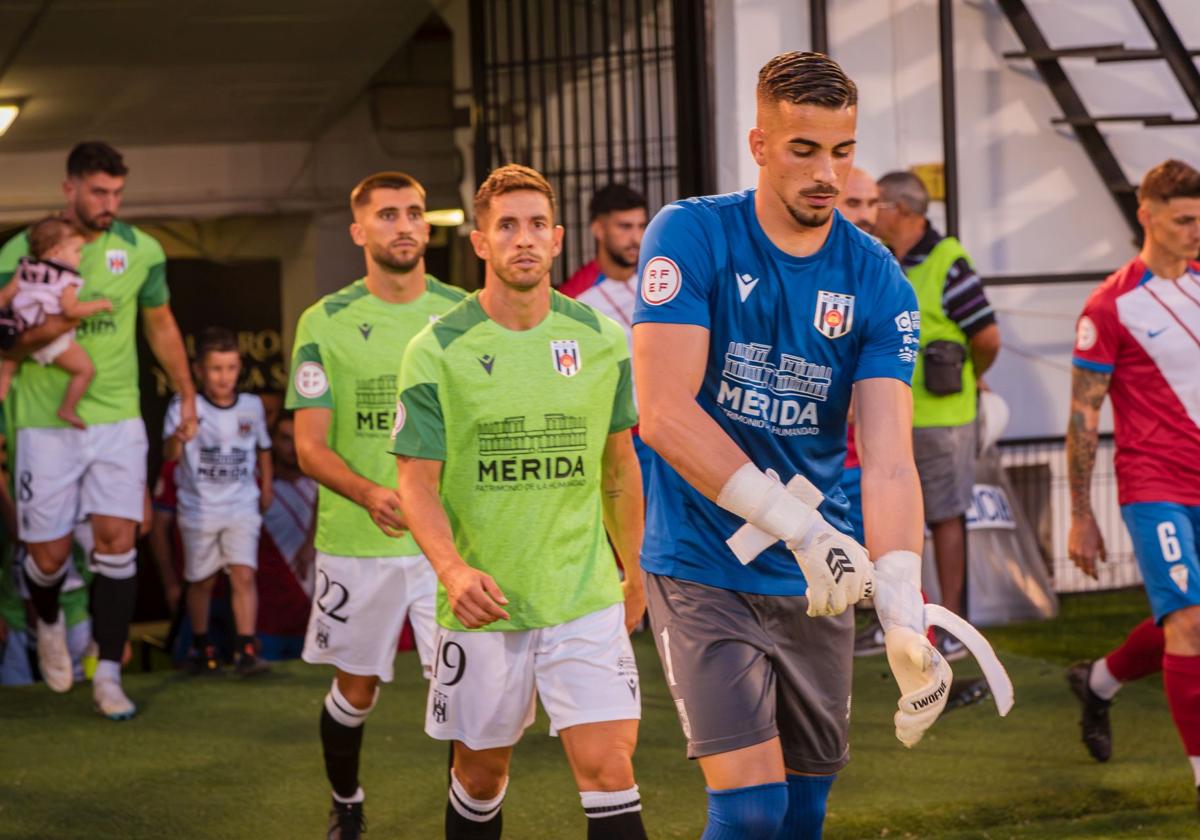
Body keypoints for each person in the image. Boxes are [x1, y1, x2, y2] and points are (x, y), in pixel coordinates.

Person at [632, 52, 953, 838]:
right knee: (750, 811)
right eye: (804, 149)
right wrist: (802, 527)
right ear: (760, 144)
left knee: (803, 815)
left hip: (820, 582)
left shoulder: (878, 279)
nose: (828, 173)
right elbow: (664, 414)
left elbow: (886, 458)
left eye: (841, 150)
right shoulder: (691, 233)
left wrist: (905, 603)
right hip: (704, 561)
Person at [393, 163, 648, 840]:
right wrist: (451, 570)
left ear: (559, 237)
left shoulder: (601, 340)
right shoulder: (435, 349)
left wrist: (634, 570)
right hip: (484, 604)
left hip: (583, 594)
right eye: (506, 226)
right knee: (480, 777)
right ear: (480, 243)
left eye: (537, 224)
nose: (523, 239)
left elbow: (619, 468)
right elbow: (415, 481)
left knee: (610, 770)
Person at [286, 171, 466, 840]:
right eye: (387, 215)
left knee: (462, 691)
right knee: (356, 690)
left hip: (443, 547)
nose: (404, 225)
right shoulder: (324, 321)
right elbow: (308, 447)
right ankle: (348, 799)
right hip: (358, 544)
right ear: (359, 231)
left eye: (414, 213)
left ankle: (463, 824)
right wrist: (369, 494)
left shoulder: (462, 313)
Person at [0, 141, 196, 719]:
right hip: (43, 422)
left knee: (117, 543)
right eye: (97, 192)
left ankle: (108, 673)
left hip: (116, 418)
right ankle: (52, 620)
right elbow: (5, 335)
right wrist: (57, 323)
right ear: (69, 190)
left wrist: (186, 393)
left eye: (117, 193)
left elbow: (160, 325)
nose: (109, 203)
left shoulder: (142, 250)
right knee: (47, 556)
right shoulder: (22, 248)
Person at [1065, 158, 1200, 805]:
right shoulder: (1109, 305)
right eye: (1183, 220)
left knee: (1184, 617)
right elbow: (1083, 416)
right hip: (1155, 488)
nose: (1196, 230)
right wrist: (1080, 513)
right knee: (1191, 623)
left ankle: (1097, 683)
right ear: (1147, 217)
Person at [873, 170, 1000, 656]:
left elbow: (987, 337)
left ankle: (953, 624)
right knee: (889, 520)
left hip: (943, 420)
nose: (869, 213)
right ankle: (897, 622)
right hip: (889, 418)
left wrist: (973, 373)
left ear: (902, 209)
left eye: (877, 204)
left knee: (946, 517)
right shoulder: (879, 257)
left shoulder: (949, 261)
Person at [164, 326, 273, 676]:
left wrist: (266, 487)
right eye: (215, 368)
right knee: (203, 579)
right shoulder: (183, 406)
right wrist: (181, 436)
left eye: (230, 368)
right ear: (199, 370)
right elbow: (168, 454)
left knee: (243, 573)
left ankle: (246, 647)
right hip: (200, 507)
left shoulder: (252, 405)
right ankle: (201, 643)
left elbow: (263, 448)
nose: (224, 377)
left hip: (242, 503)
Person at [0, 217, 113, 429]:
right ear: (57, 251)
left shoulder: (26, 268)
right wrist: (99, 305)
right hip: (52, 340)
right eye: (77, 250)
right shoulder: (66, 278)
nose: (80, 256)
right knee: (85, 371)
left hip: (20, 327)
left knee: (11, 354)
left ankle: (3, 385)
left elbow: (4, 296)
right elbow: (71, 310)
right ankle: (67, 408)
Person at [256, 409, 318, 660]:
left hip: (314, 613)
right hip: (267, 616)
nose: (292, 447)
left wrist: (310, 542)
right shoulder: (256, 487)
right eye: (284, 438)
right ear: (271, 440)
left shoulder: (326, 484)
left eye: (297, 438)